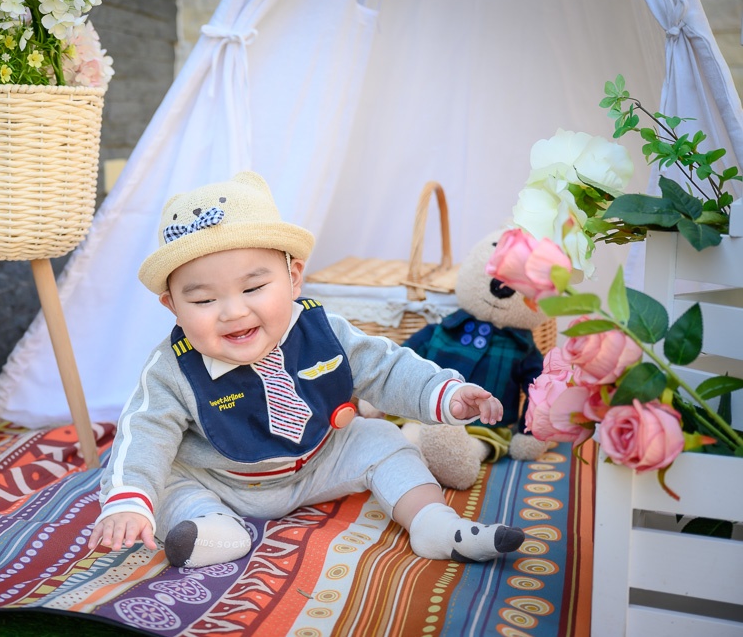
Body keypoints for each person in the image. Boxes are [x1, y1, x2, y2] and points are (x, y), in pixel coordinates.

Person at [88, 171, 526, 568]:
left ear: (294, 278)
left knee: (382, 438)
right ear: (173, 307)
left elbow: (386, 369)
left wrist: (443, 393)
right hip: (218, 478)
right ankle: (212, 529)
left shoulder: (324, 331)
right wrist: (130, 499)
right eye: (203, 300)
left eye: (254, 286)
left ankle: (431, 521)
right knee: (155, 482)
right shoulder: (171, 369)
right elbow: (144, 430)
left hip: (317, 462)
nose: (233, 311)